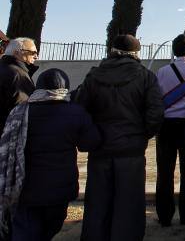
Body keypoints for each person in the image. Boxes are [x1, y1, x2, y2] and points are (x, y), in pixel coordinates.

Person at [74, 34, 164, 241]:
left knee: (97, 202)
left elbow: (80, 109)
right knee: (129, 203)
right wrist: (143, 134)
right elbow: (156, 112)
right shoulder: (145, 76)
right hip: (131, 150)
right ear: (136, 53)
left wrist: (92, 135)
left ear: (112, 51)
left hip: (100, 148)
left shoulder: (94, 76)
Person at [0, 69, 100, 241]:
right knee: (49, 228)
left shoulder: (20, 112)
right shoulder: (75, 112)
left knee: (25, 231)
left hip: (25, 188)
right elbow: (89, 143)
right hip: (59, 189)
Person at [154, 34, 185, 227]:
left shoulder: (162, 71)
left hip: (165, 126)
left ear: (174, 50)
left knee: (164, 171)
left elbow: (157, 97)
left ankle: (164, 215)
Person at [0, 38, 39, 129]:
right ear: (16, 53)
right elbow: (22, 110)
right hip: (8, 134)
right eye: (32, 52)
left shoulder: (5, 68)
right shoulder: (18, 75)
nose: (36, 56)